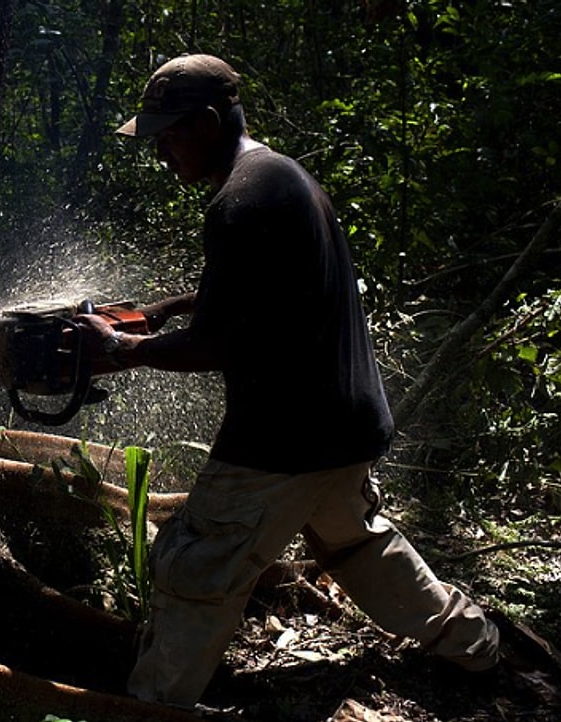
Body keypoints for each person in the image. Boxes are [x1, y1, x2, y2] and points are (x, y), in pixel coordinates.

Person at [78, 53, 501, 712]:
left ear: (208, 122)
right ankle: (475, 645)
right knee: (360, 547)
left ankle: (152, 706)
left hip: (281, 444)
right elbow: (263, 290)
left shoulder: (238, 202)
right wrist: (166, 309)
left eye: (169, 135)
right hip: (347, 427)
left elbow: (216, 344)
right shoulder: (281, 178)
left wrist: (123, 347)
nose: (161, 151)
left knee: (195, 567)